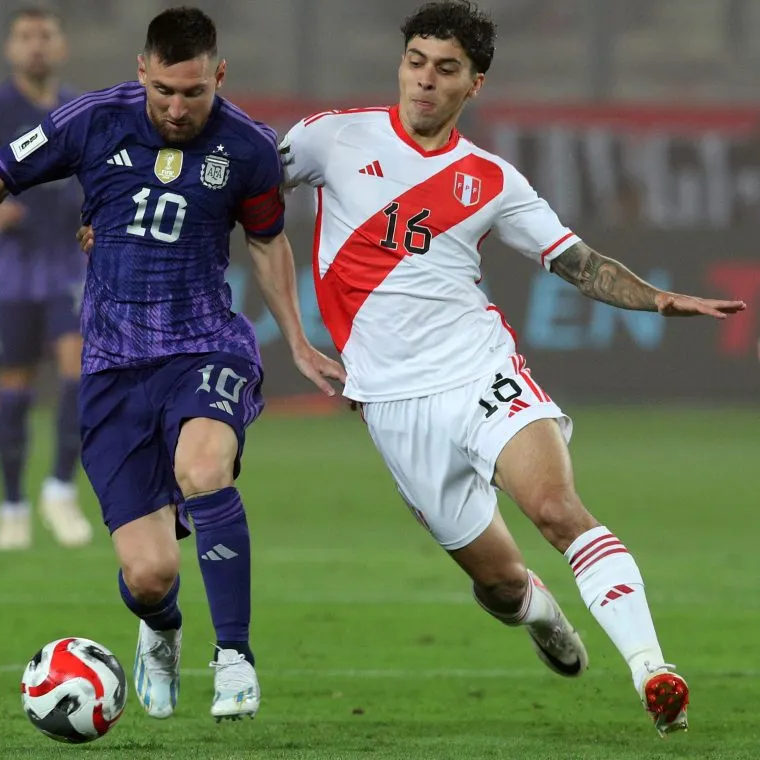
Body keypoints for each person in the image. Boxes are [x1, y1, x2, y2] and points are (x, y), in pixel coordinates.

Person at [278, 0, 746, 736]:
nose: (425, 82)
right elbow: (243, 198)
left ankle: (653, 670)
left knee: (557, 509)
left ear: (475, 84)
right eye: (416, 63)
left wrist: (658, 300)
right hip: (392, 400)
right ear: (401, 64)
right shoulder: (330, 139)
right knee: (497, 584)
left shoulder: (490, 179)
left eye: (446, 70)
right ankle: (537, 611)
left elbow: (577, 262)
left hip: (479, 370)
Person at [0, 6, 343, 722]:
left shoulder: (247, 147)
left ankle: (235, 659)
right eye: (164, 92)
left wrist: (298, 342)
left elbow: (269, 243)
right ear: (141, 70)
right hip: (115, 368)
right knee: (150, 574)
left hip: (206, 346)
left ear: (219, 76)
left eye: (194, 93)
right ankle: (161, 628)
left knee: (205, 469)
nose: (177, 109)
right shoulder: (91, 120)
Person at [0, 5, 93, 552]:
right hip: (11, 267)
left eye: (44, 35)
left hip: (68, 263)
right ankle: (12, 506)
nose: (35, 45)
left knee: (79, 369)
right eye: (25, 36)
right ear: (11, 49)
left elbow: (103, 170)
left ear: (61, 46)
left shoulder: (80, 108)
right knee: (15, 386)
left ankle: (59, 489)